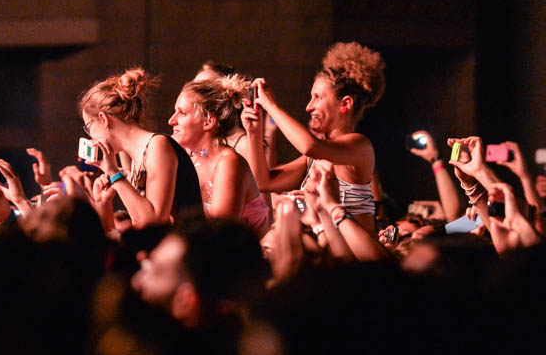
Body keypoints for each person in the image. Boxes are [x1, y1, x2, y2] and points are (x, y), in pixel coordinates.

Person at [242, 42, 386, 233]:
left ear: (345, 103)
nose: (309, 107)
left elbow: (309, 145)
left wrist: (272, 106)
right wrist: (254, 133)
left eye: (317, 98)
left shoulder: (359, 146)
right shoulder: (314, 157)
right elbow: (263, 181)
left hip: (355, 261)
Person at [79, 67, 202, 227]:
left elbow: (153, 222)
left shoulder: (158, 145)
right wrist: (103, 203)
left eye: (89, 126)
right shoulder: (137, 158)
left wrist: (114, 174)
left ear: (103, 119)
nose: (90, 135)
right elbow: (139, 226)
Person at [167, 75, 270, 236]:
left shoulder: (229, 162)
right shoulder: (188, 160)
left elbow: (218, 238)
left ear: (208, 121)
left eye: (182, 113)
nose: (171, 121)